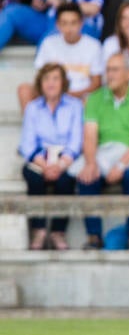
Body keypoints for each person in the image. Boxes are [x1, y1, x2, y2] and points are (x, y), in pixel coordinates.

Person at [68, 53, 129, 250]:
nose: (109, 75)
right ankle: (94, 236)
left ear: (128, 73)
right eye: (108, 70)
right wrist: (91, 163)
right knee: (87, 175)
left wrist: (120, 164)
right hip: (104, 152)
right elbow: (90, 136)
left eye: (115, 70)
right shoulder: (95, 99)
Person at [18, 63, 83, 250]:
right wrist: (45, 165)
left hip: (66, 158)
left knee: (66, 180)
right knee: (33, 178)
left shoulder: (75, 106)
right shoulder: (33, 108)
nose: (51, 83)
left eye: (55, 78)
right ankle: (39, 231)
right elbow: (27, 144)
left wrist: (60, 165)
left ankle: (57, 231)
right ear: (41, 83)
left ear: (63, 82)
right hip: (40, 158)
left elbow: (75, 142)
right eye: (47, 79)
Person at [18, 2, 103, 110]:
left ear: (81, 24)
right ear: (58, 25)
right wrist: (53, 94)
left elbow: (97, 83)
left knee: (91, 100)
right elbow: (40, 77)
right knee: (24, 90)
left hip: (81, 96)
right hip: (52, 94)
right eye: (64, 23)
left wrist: (73, 95)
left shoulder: (94, 45)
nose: (69, 28)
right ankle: (31, 126)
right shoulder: (48, 43)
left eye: (73, 23)